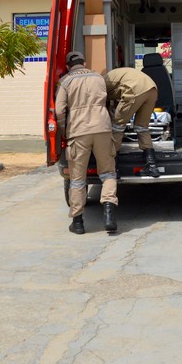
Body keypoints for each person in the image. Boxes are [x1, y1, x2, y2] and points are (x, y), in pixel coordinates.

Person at [55, 51, 118, 234]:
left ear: (68, 65)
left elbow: (59, 111)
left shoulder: (65, 81)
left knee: (77, 180)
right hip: (103, 129)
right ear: (84, 62)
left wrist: (63, 130)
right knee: (108, 173)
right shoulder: (99, 78)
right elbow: (109, 101)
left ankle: (78, 223)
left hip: (78, 132)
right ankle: (109, 216)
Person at [104, 66, 159, 178]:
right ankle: (152, 166)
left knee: (117, 126)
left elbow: (101, 103)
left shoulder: (101, 82)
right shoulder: (116, 77)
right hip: (152, 89)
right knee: (142, 127)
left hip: (134, 89)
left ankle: (113, 168)